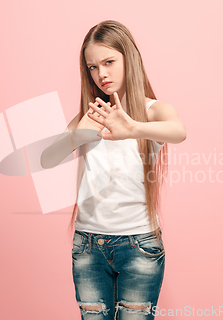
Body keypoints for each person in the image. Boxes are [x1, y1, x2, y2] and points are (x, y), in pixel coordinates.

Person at [42, 20, 186, 319]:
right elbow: (47, 159)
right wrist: (78, 133)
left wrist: (133, 128)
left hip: (139, 246)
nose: (101, 73)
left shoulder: (152, 110)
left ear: (128, 58)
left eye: (109, 62)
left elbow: (178, 130)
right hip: (88, 246)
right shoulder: (90, 115)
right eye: (93, 67)